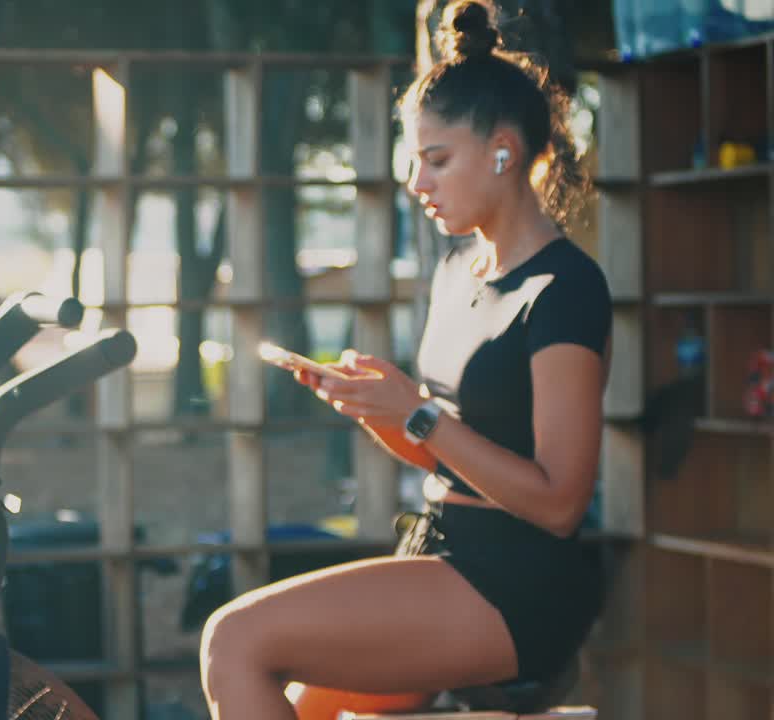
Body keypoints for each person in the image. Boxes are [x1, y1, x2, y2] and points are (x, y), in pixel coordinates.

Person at [197, 2, 612, 718]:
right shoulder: (458, 272)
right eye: (416, 160)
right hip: (442, 552)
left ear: (503, 152)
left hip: (516, 584)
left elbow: (559, 502)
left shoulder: (565, 289)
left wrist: (416, 414)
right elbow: (451, 455)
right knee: (305, 703)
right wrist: (379, 410)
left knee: (232, 641)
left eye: (437, 159)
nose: (417, 183)